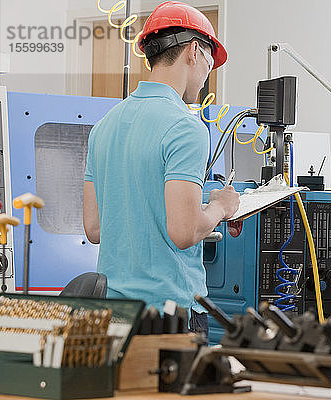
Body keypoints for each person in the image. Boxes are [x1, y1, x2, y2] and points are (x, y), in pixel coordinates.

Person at [83, 1, 239, 334]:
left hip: (113, 316)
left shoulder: (103, 126)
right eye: (210, 65)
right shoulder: (186, 126)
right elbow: (183, 233)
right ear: (194, 52)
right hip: (168, 315)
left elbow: (94, 229)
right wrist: (219, 208)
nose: (206, 79)